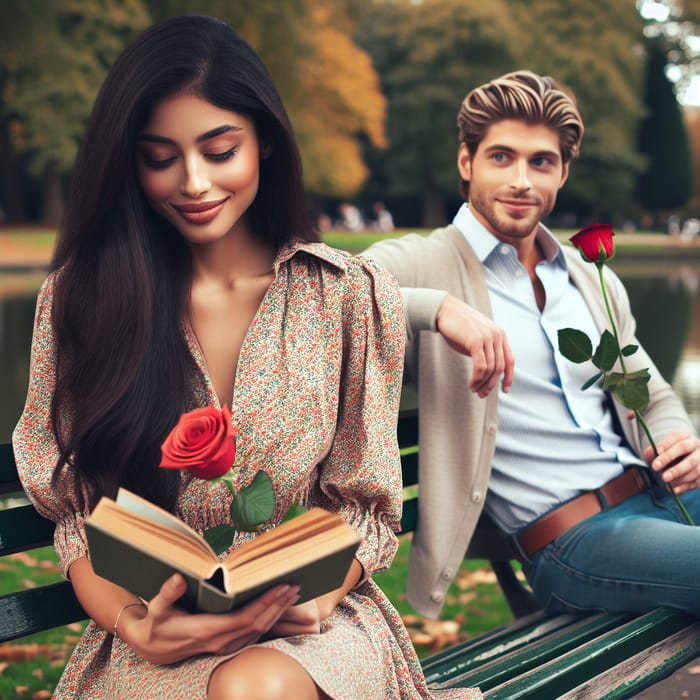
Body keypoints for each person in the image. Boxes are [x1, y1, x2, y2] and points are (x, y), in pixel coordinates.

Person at [12, 16, 480, 700]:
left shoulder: (346, 294)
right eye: (160, 156)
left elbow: (366, 507)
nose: (194, 182)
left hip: (316, 634)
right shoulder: (82, 299)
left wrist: (323, 594)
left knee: (253, 686)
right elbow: (81, 514)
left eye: (219, 149)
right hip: (153, 639)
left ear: (264, 140)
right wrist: (135, 625)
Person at [364, 70, 700, 620]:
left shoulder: (591, 278)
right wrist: (439, 309)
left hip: (666, 498)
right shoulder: (421, 263)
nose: (521, 179)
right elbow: (314, 297)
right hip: (576, 543)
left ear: (562, 172)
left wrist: (677, 437)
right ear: (466, 162)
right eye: (501, 157)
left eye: (540, 161)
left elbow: (655, 396)